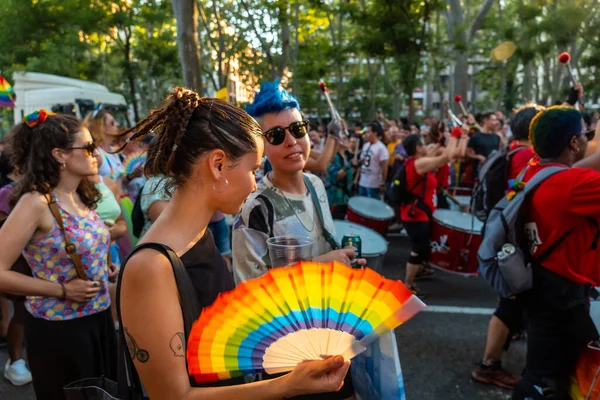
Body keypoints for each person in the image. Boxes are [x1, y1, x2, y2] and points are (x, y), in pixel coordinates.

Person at [115, 88, 350, 400]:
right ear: (218, 165)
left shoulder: (200, 236)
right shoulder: (151, 266)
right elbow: (174, 396)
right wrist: (288, 385)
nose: (255, 182)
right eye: (253, 169)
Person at [232, 81, 358, 400]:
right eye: (276, 136)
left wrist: (342, 261)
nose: (292, 142)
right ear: (260, 146)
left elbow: (325, 247)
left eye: (297, 129)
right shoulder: (254, 207)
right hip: (287, 354)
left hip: (330, 331)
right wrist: (322, 265)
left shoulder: (316, 184)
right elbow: (250, 293)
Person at [0, 111, 118, 399]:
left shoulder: (82, 193)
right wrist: (63, 290)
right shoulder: (36, 202)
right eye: (88, 148)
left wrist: (104, 266)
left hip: (99, 320)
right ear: (60, 155)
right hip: (61, 331)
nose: (97, 154)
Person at [511, 106, 599, 399]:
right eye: (586, 135)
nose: (589, 139)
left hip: (538, 283)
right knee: (551, 377)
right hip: (564, 294)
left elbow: (579, 169)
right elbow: (579, 177)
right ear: (574, 143)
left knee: (541, 363)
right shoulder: (573, 185)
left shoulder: (533, 170)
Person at [471, 105, 543, 390]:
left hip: (504, 235)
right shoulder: (527, 156)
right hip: (517, 241)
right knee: (510, 303)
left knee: (512, 302)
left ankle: (493, 360)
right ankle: (488, 365)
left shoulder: (509, 151)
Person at [400, 132, 464, 297]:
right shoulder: (418, 164)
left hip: (421, 214)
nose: (425, 146)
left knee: (422, 247)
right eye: (422, 144)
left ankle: (419, 271)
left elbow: (436, 153)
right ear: (417, 148)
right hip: (416, 216)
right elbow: (445, 158)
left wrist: (441, 141)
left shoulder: (418, 161)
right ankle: (407, 285)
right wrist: (455, 137)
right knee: (418, 249)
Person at [0, 146, 32, 386]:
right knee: (21, 312)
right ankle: (15, 360)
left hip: (47, 263)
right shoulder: (8, 193)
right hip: (20, 263)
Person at [356, 122, 389, 199]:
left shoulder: (381, 148)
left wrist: (382, 183)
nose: (366, 134)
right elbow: (361, 163)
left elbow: (384, 167)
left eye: (368, 132)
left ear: (375, 133)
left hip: (373, 183)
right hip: (363, 181)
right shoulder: (366, 145)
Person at [326, 136, 355, 220]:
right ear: (339, 141)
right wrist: (349, 165)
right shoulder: (334, 157)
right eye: (346, 138)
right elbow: (336, 176)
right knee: (334, 221)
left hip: (344, 197)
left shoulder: (346, 155)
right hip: (336, 197)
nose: (349, 140)